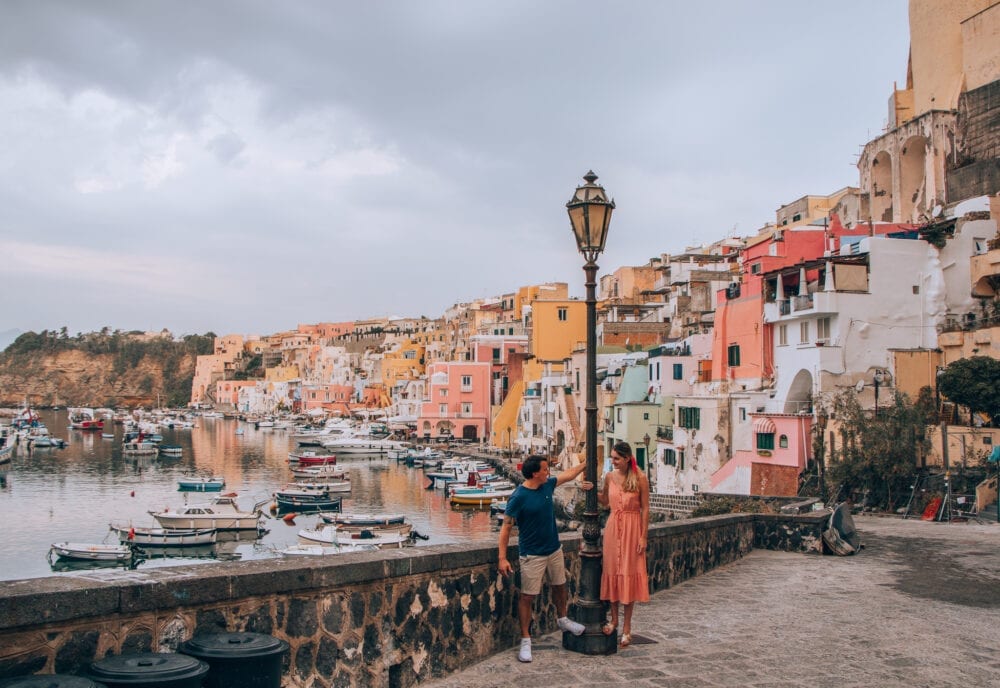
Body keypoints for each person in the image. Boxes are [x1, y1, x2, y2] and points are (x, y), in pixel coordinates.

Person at [498, 454, 591, 663]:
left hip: (554, 549)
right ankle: (525, 640)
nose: (548, 472)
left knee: (560, 586)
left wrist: (586, 464)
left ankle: (563, 619)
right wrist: (502, 558)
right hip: (531, 554)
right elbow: (506, 527)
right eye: (544, 469)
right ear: (534, 473)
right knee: (527, 596)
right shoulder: (518, 497)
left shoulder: (547, 485)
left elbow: (567, 476)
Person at [598, 440, 650, 648]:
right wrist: (591, 489)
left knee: (628, 574)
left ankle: (627, 628)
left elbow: (645, 508)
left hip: (632, 527)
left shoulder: (640, 478)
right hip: (613, 527)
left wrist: (643, 536)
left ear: (628, 458)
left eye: (617, 458)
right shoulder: (609, 477)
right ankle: (614, 620)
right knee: (612, 572)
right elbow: (605, 501)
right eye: (612, 457)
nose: (613, 461)